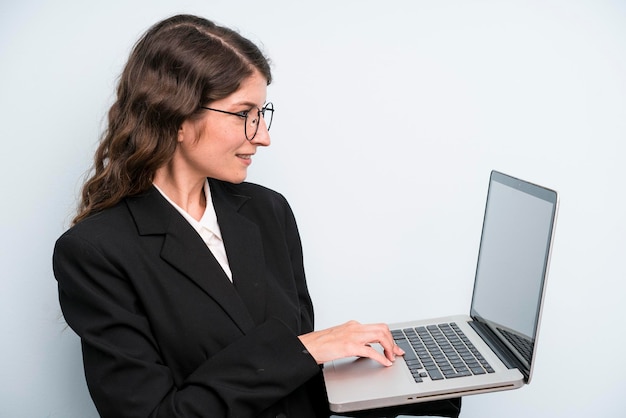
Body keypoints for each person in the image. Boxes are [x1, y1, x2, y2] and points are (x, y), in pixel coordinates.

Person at [53, 14, 461, 418]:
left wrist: (421, 384)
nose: (262, 135)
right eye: (243, 113)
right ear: (176, 117)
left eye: (262, 113)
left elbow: (294, 382)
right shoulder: (96, 253)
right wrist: (306, 350)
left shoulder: (268, 211)